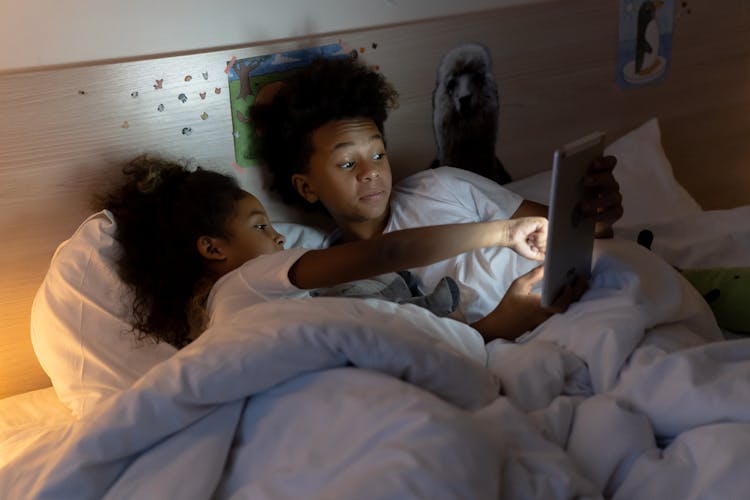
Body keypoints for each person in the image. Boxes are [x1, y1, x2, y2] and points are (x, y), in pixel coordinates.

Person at [249, 56, 623, 341]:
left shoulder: (443, 187)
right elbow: (420, 359)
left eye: (378, 154)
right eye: (347, 163)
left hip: (585, 310)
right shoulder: (336, 278)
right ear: (306, 187)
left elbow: (584, 235)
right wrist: (502, 323)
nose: (371, 171)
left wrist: (598, 213)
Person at [97, 156, 549, 348]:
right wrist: (504, 233)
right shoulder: (248, 282)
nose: (280, 240)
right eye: (260, 226)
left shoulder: (226, 319)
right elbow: (391, 253)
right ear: (213, 248)